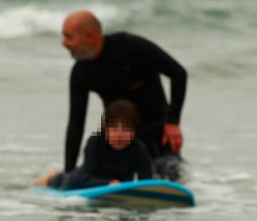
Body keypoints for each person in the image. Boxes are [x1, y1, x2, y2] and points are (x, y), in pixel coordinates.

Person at [61, 10, 187, 181]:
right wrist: (68, 172)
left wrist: (173, 121)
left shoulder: (130, 46)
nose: (64, 43)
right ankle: (58, 179)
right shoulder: (81, 72)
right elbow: (76, 124)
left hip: (158, 133)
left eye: (68, 37)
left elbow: (178, 73)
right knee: (113, 185)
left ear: (89, 35)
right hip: (121, 139)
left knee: (170, 177)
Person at [33, 99, 153, 190]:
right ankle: (51, 177)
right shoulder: (95, 143)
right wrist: (107, 183)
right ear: (105, 130)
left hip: (117, 184)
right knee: (61, 180)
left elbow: (146, 181)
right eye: (114, 129)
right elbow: (86, 179)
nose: (119, 135)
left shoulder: (139, 149)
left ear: (134, 132)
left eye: (126, 129)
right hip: (79, 182)